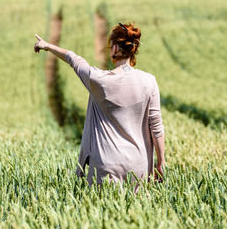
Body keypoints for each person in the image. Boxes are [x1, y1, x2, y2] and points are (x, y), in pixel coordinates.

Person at [34, 22, 165, 189]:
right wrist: (160, 162)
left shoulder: (98, 80)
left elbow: (73, 59)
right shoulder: (149, 81)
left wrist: (48, 46)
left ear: (115, 49)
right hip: (138, 165)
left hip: (105, 166)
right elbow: (156, 126)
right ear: (133, 49)